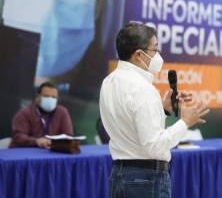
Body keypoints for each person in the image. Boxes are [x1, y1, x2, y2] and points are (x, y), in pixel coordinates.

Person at [99, 22, 210, 198]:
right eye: (155, 50)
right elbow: (154, 146)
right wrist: (185, 122)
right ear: (138, 54)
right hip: (146, 179)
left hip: (119, 173)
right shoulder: (143, 88)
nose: (158, 55)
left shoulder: (109, 81)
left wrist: (162, 109)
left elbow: (130, 122)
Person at [9, 82, 74, 148]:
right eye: (46, 96)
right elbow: (18, 136)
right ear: (37, 97)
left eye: (54, 97)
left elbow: (68, 136)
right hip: (26, 152)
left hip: (52, 152)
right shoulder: (24, 113)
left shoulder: (62, 112)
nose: (50, 99)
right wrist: (36, 141)